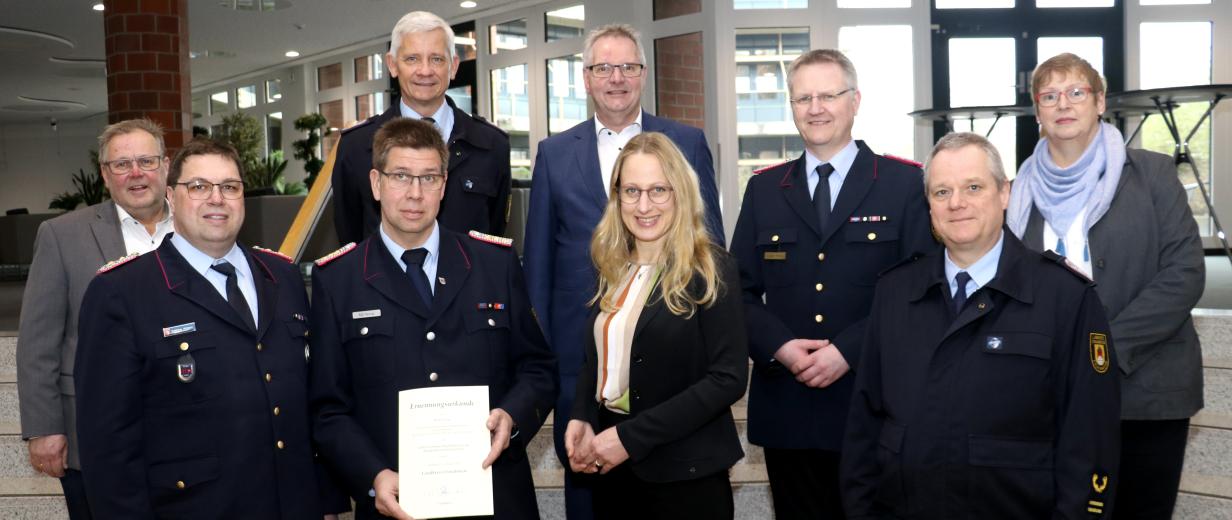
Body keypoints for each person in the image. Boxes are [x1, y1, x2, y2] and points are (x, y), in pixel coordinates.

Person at [843, 132, 1122, 518]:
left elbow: (1090, 441)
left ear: (1004, 193)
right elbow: (864, 427)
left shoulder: (1066, 297)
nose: (956, 203)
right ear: (929, 205)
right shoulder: (894, 292)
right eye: (942, 192)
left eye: (973, 187)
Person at [523, 23, 724, 519]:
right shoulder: (553, 154)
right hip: (581, 357)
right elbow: (539, 267)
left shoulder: (687, 141)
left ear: (643, 74)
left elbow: (710, 247)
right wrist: (546, 357)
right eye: (603, 68)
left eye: (627, 67)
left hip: (672, 352)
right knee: (589, 493)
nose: (616, 78)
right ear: (586, 78)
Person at [310, 118, 557, 520]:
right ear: (375, 183)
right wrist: (373, 475)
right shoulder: (338, 281)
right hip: (396, 501)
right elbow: (328, 409)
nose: (414, 193)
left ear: (444, 185)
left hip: (495, 497)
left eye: (428, 178)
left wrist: (511, 416)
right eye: (400, 176)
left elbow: (538, 369)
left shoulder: (495, 265)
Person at [728, 49, 936, 519]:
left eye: (828, 95)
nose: (815, 107)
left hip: (873, 402)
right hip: (788, 408)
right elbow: (735, 289)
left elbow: (920, 290)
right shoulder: (764, 188)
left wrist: (849, 351)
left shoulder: (904, 184)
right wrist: (780, 346)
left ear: (855, 100)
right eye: (803, 98)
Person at [74, 138, 326, 518]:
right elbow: (108, 447)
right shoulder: (121, 293)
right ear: (171, 198)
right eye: (198, 187)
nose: (216, 198)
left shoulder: (284, 276)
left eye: (230, 187)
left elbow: (307, 407)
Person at [1008, 53, 1205, 520]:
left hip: (1146, 390)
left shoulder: (1153, 174)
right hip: (1053, 394)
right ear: (1037, 112)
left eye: (1077, 92)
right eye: (1049, 96)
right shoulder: (1016, 192)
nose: (1064, 104)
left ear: (1100, 102)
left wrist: (1098, 351)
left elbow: (1184, 273)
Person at [563, 132, 747, 519]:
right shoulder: (612, 266)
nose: (643, 205)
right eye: (631, 191)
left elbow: (727, 378)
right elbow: (596, 359)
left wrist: (629, 438)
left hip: (685, 476)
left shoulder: (711, 269)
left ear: (680, 193)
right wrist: (581, 413)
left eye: (658, 190)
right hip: (612, 467)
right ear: (617, 198)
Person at [17, 118, 175, 519]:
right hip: (94, 435)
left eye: (146, 160)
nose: (136, 173)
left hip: (187, 430)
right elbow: (38, 341)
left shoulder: (200, 227)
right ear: (105, 175)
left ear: (166, 166)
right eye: (122, 164)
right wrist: (44, 429)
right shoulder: (62, 235)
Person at [333, 10, 511, 244]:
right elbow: (350, 236)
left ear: (453, 66)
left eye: (436, 59)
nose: (425, 71)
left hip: (468, 279)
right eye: (412, 59)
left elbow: (494, 231)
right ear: (392, 64)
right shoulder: (356, 147)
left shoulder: (492, 144)